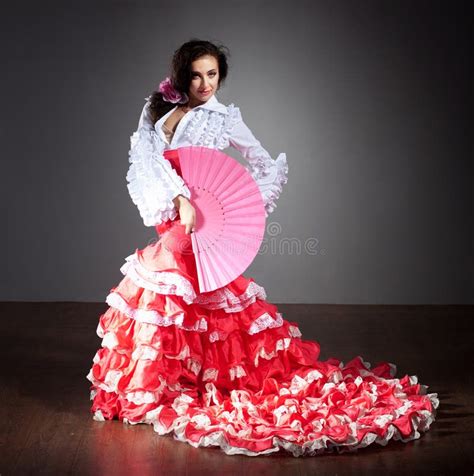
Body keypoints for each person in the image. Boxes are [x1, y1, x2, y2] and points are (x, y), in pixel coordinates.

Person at [86, 39, 439, 457]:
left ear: (222, 76)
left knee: (190, 296)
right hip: (172, 213)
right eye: (197, 75)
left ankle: (190, 384)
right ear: (182, 74)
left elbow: (265, 164)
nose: (205, 84)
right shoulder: (156, 108)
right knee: (172, 298)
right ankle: (173, 383)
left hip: (203, 221)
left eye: (213, 75)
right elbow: (145, 158)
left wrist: (233, 208)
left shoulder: (224, 119)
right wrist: (177, 196)